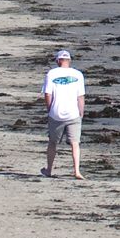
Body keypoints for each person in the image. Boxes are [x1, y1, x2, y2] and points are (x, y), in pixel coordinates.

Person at [41, 49, 86, 179]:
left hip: (56, 112)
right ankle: (77, 171)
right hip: (73, 113)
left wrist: (50, 109)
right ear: (69, 61)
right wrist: (81, 112)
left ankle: (49, 169)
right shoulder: (78, 74)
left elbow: (47, 94)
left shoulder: (51, 73)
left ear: (58, 61)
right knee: (75, 143)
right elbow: (81, 97)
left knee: (53, 142)